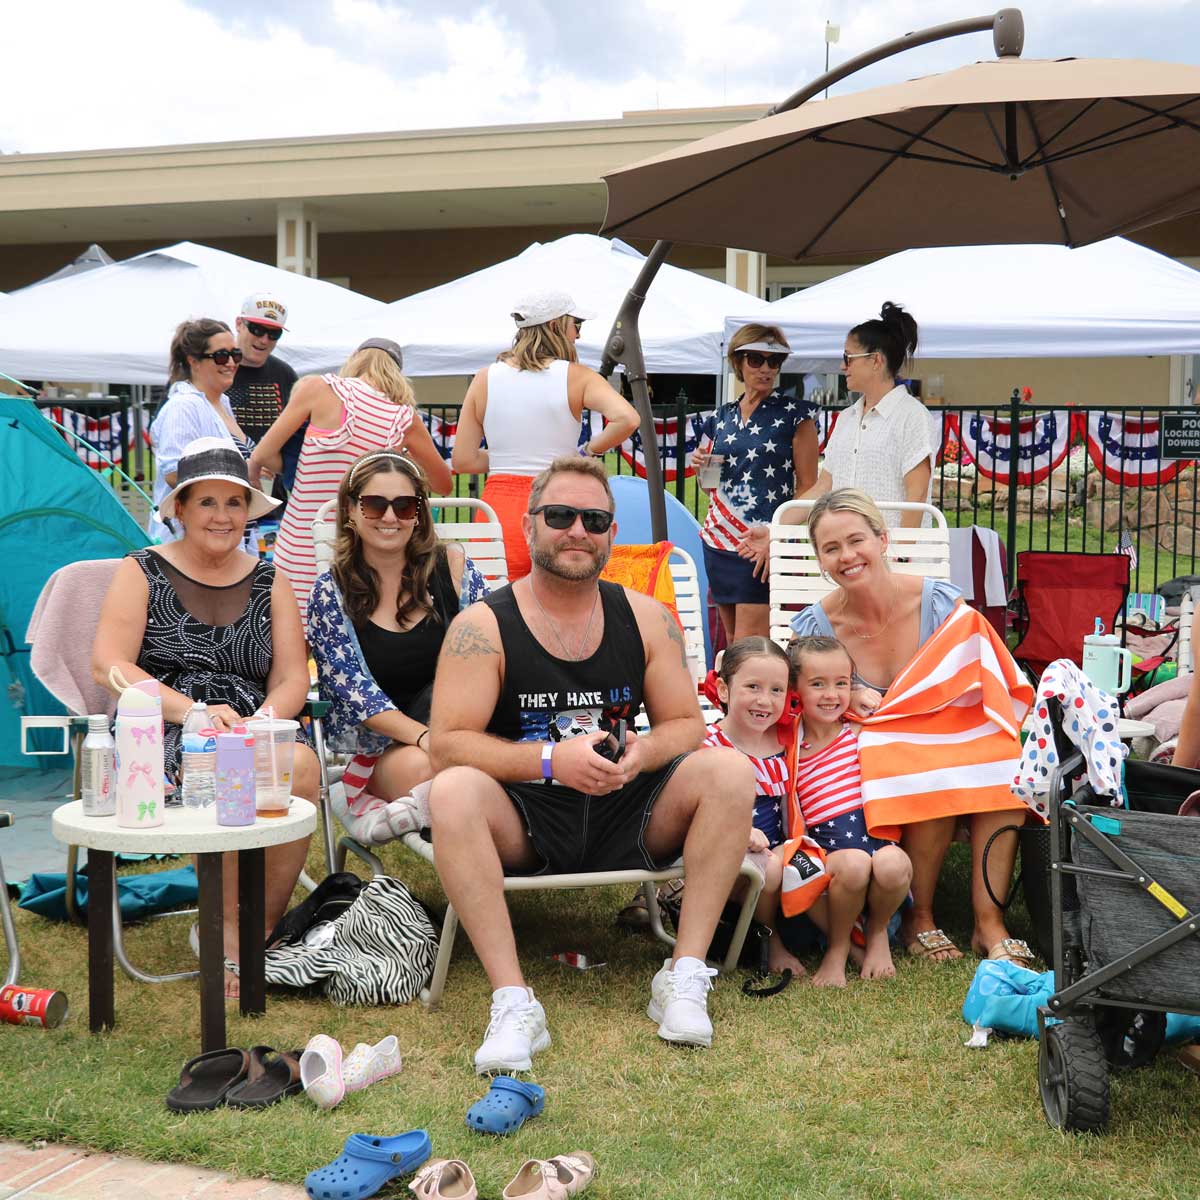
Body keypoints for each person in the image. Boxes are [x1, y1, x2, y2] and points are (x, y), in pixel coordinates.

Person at [427, 455, 755, 1072]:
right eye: (560, 516)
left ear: (611, 534)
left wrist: (642, 753)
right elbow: (446, 743)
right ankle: (514, 1001)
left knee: (731, 772)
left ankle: (683, 976)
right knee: (452, 791)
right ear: (528, 527)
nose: (578, 530)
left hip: (628, 804)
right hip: (525, 814)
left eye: (595, 520)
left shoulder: (647, 616)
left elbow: (686, 724)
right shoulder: (483, 625)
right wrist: (551, 761)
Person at [91, 437, 316, 996]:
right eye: (207, 503)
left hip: (251, 721)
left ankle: (257, 932)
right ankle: (221, 931)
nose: (222, 516)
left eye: (234, 503)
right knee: (218, 764)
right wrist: (193, 714)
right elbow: (107, 664)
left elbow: (292, 678)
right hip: (163, 725)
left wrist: (259, 722)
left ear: (248, 511)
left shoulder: (271, 579)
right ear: (182, 509)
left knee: (301, 766)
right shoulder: (141, 570)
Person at [789, 489, 1030, 966]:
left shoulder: (939, 604)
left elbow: (977, 670)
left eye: (856, 540)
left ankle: (989, 923)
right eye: (830, 549)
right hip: (875, 744)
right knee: (920, 759)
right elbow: (805, 697)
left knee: (1002, 758)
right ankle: (920, 918)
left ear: (883, 540)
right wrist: (849, 697)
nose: (846, 556)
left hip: (948, 729)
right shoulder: (816, 625)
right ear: (820, 560)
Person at [307, 449, 489, 845]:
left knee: (472, 768)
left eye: (405, 506)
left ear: (419, 514)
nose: (390, 517)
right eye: (374, 505)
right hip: (392, 747)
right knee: (437, 775)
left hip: (473, 729)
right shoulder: (330, 594)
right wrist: (428, 738)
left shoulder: (454, 570)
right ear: (351, 512)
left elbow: (494, 653)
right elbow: (357, 696)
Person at [249, 338, 452, 622]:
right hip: (358, 553)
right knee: (348, 641)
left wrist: (308, 464)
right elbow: (443, 483)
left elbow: (264, 453)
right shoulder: (403, 418)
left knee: (291, 638)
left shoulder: (317, 388)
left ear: (355, 359)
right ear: (396, 372)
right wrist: (402, 456)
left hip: (299, 541)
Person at [450, 290, 639, 581]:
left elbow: (463, 460)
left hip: (497, 508)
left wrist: (507, 457)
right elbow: (628, 418)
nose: (578, 335)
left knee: (496, 605)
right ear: (556, 326)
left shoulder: (485, 377)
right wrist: (588, 451)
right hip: (557, 503)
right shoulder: (577, 376)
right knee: (564, 602)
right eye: (576, 324)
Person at [787, 635, 912, 987]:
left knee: (894, 862)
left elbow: (910, 720)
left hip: (875, 849)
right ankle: (838, 949)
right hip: (826, 865)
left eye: (841, 683)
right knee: (854, 862)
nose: (831, 695)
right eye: (817, 684)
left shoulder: (860, 730)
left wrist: (857, 696)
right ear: (794, 687)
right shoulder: (787, 739)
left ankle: (876, 935)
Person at [690, 323, 818, 644]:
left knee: (751, 643)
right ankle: (730, 695)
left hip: (761, 541)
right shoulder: (720, 417)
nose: (765, 369)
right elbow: (710, 486)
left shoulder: (796, 415)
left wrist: (781, 539)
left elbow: (808, 488)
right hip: (719, 538)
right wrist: (701, 468)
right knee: (732, 640)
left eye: (773, 362)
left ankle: (743, 694)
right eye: (755, 360)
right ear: (738, 362)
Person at [702, 637, 806, 978]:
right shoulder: (708, 745)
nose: (765, 700)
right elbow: (694, 811)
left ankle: (845, 941)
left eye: (777, 690)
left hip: (778, 845)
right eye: (752, 687)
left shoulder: (785, 741)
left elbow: (832, 707)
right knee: (773, 868)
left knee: (818, 867)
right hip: (722, 856)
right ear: (724, 688)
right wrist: (740, 831)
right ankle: (769, 942)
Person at [148, 319, 251, 545]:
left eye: (236, 354)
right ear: (193, 361)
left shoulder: (222, 403)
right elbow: (174, 473)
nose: (231, 362)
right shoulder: (184, 406)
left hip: (228, 535)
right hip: (192, 541)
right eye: (221, 356)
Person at [224, 292, 303, 499]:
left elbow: (297, 438)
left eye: (274, 334)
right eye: (257, 330)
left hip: (270, 493)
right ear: (239, 324)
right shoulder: (216, 366)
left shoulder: (284, 374)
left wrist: (275, 464)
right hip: (222, 486)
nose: (264, 340)